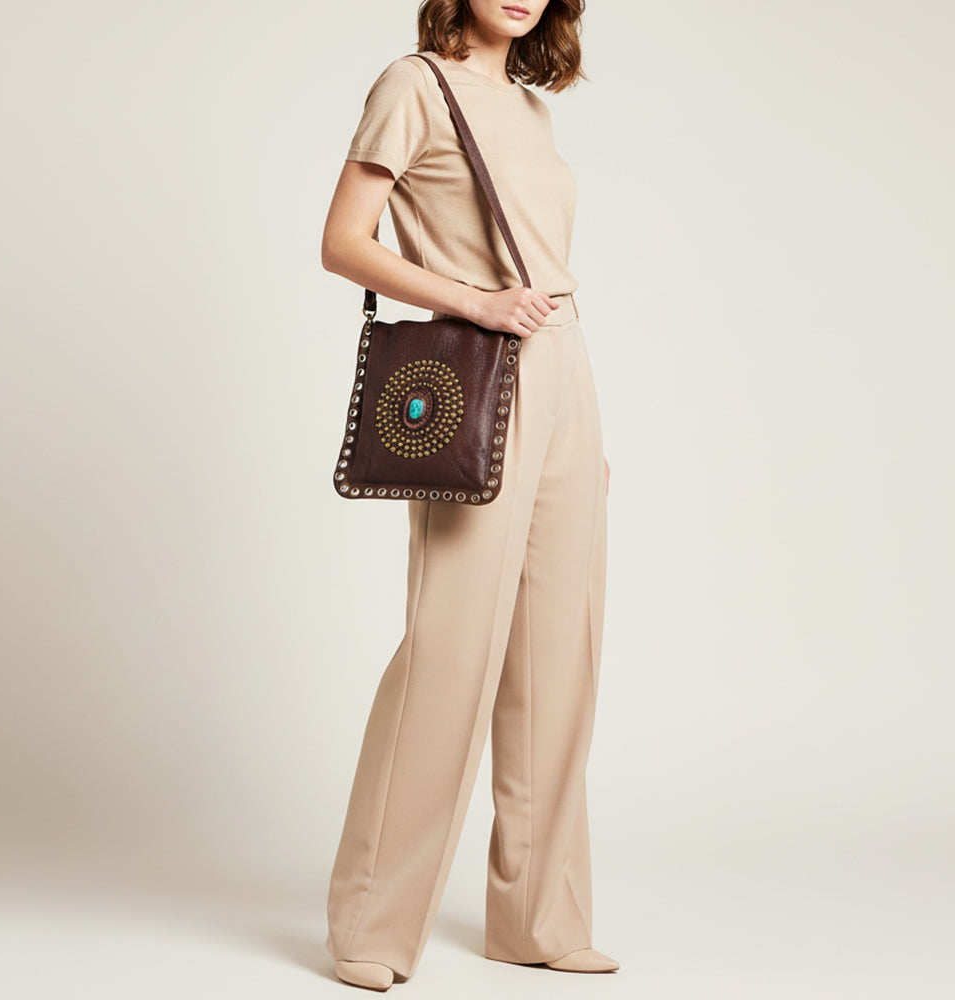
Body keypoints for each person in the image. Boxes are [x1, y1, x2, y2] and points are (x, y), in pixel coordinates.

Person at [320, 0, 616, 991]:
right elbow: (343, 240)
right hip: (484, 367)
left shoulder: (530, 108)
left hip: (565, 364)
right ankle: (372, 922)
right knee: (451, 647)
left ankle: (538, 916)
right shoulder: (415, 85)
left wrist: (577, 415)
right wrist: (473, 301)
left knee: (559, 653)